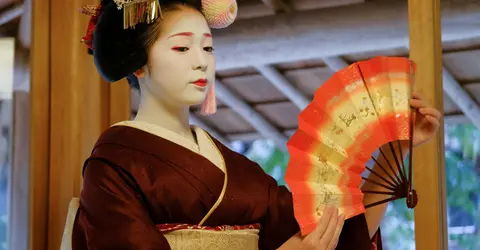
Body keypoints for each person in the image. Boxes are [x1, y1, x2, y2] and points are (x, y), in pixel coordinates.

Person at [60, 0, 442, 249]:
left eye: (207, 47)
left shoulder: (238, 171)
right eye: (182, 47)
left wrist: (396, 150)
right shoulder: (113, 167)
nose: (201, 62)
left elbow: (336, 234)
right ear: (138, 64)